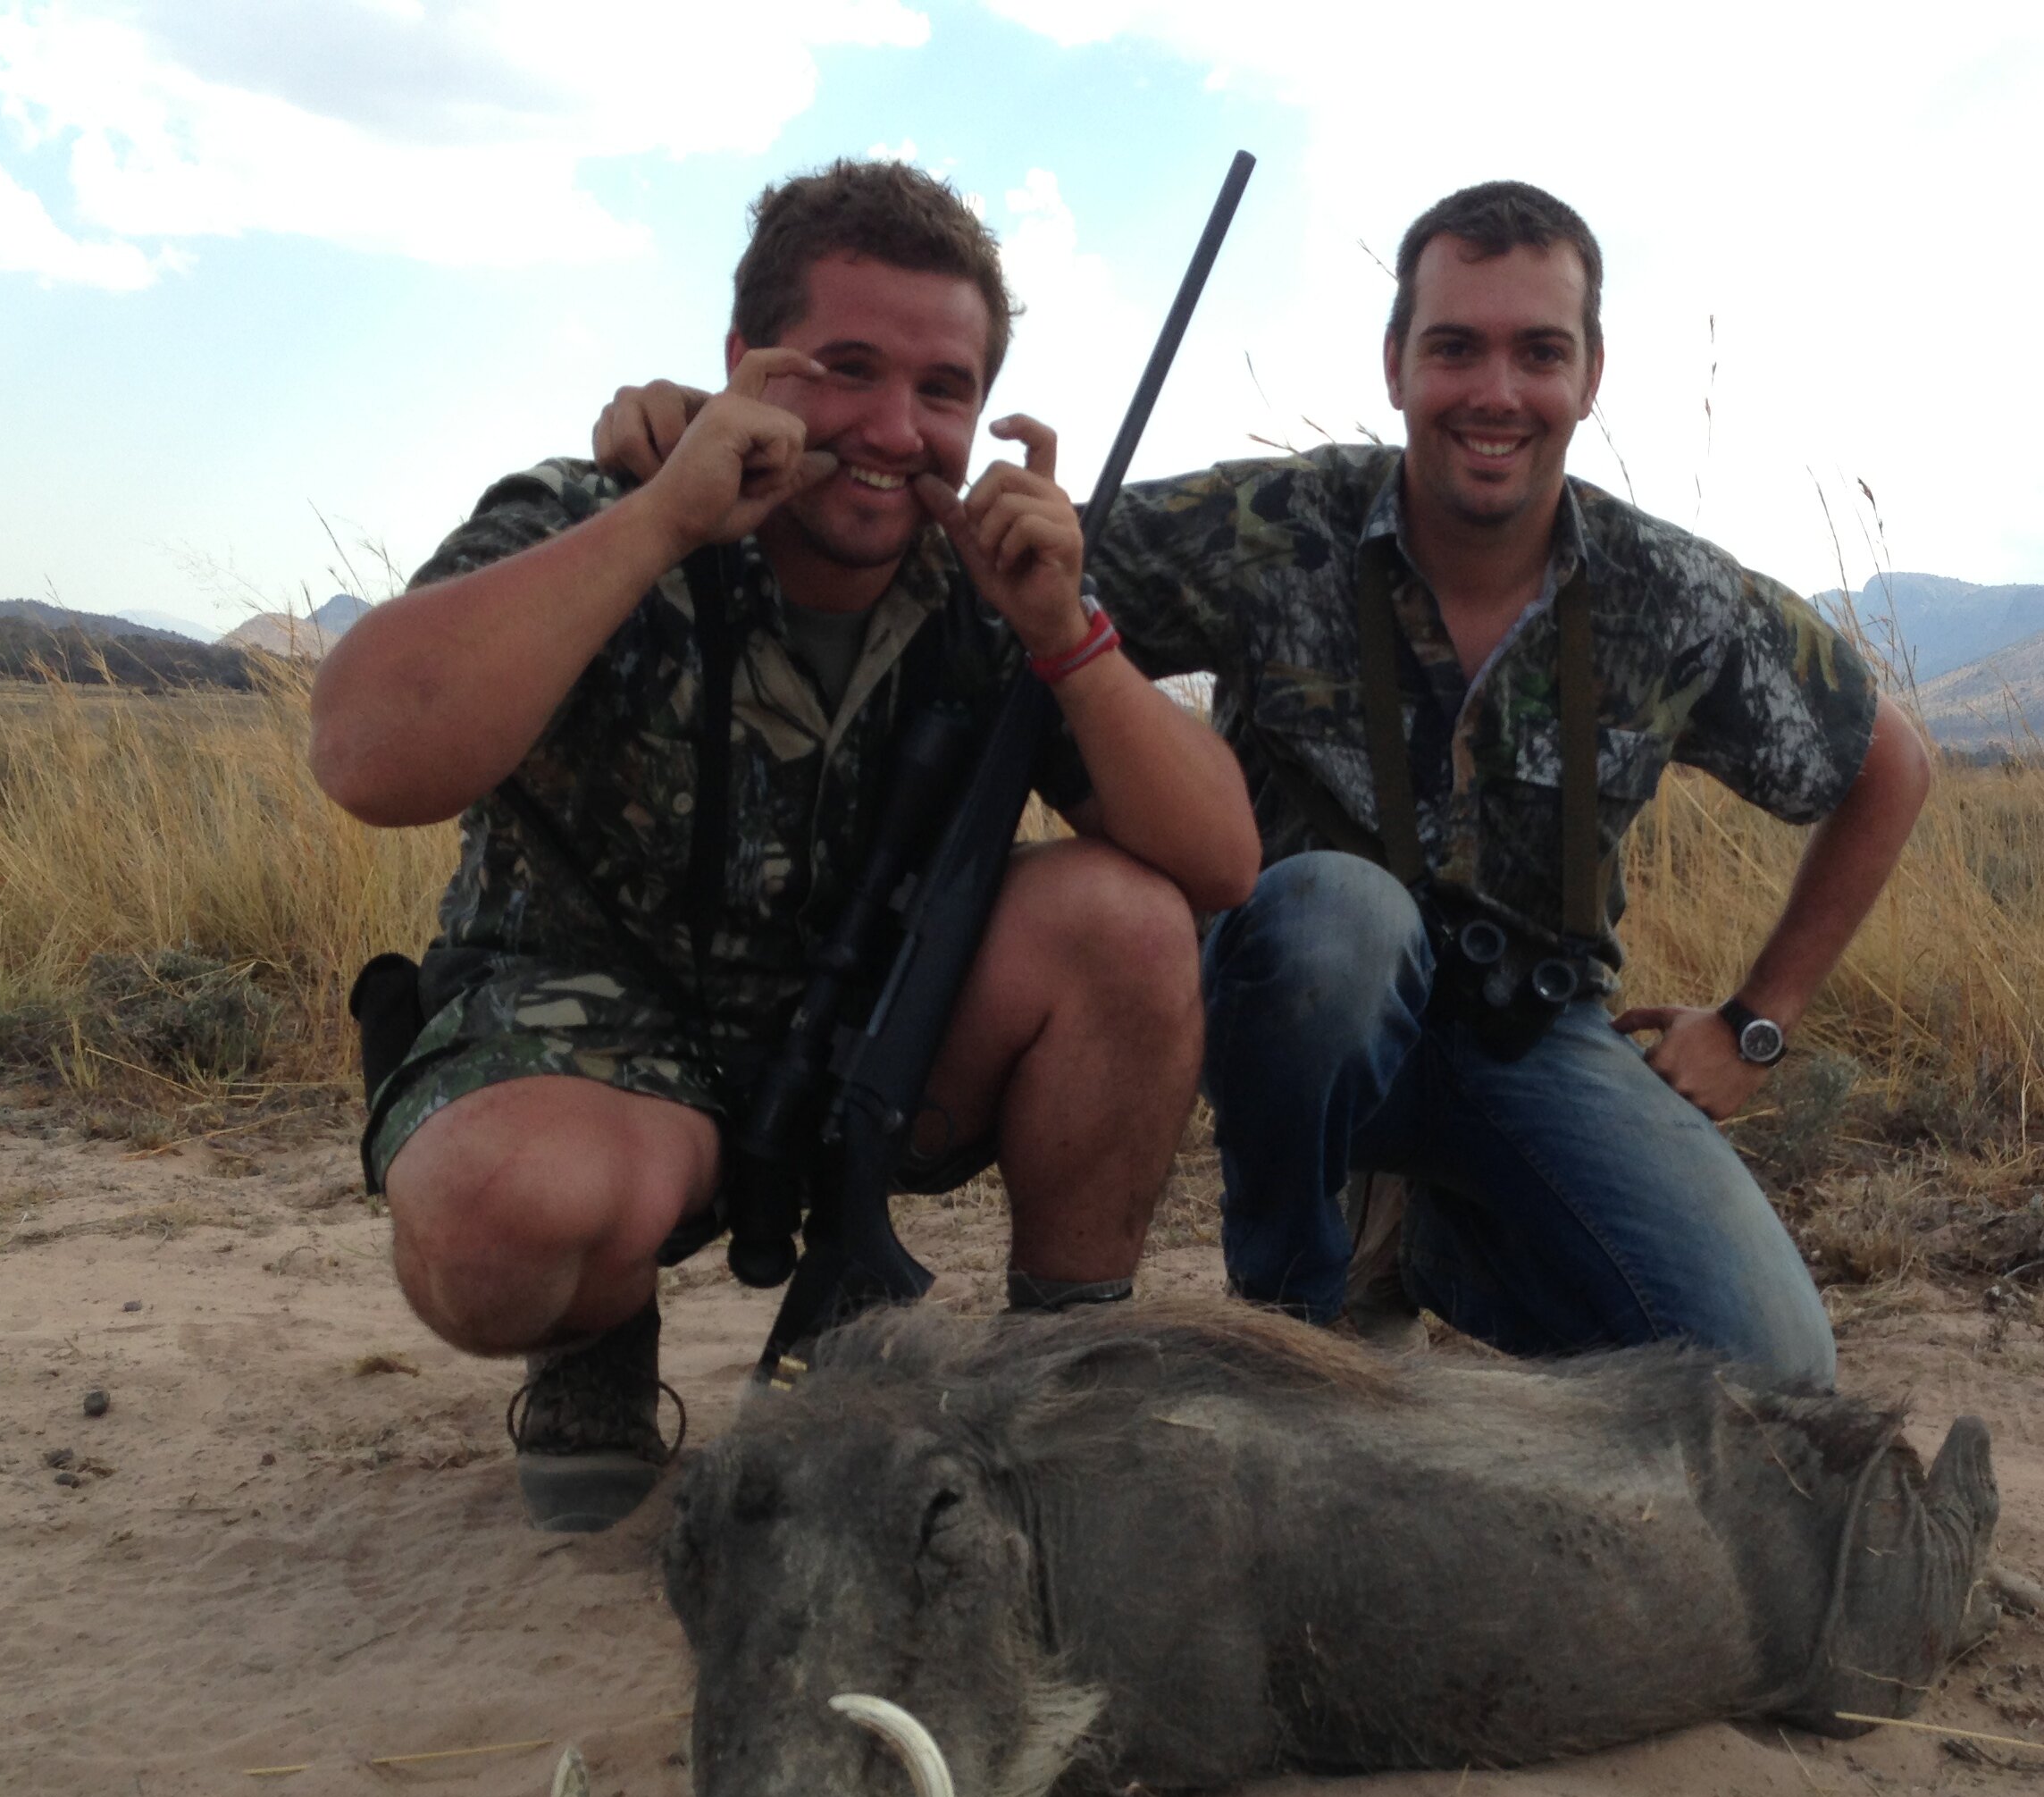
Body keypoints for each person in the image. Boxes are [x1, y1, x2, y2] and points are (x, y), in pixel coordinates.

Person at [594, 179, 1927, 1387]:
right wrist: (709, 440)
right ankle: (1293, 1327)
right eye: (1455, 345)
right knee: (1337, 919)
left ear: (1590, 377)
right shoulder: (1267, 528)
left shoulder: (1676, 593)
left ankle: (1439, 1245)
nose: (1496, 391)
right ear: (1397, 364)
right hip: (1291, 1001)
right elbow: (963, 553)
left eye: (1540, 351)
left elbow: (1889, 766)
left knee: (1777, 1373)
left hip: (1538, 1038)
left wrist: (1757, 1025)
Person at [313, 159, 1259, 1532]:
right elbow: (366, 754)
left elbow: (1221, 862)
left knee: (1128, 918)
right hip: (600, 1048)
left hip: (869, 1038)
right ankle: (597, 1328)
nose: (893, 428)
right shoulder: (600, 506)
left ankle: (1066, 1375)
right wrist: (658, 524)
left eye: (943, 392)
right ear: (745, 366)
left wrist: (1068, 636)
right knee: (494, 1225)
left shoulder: (990, 584)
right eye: (847, 369)